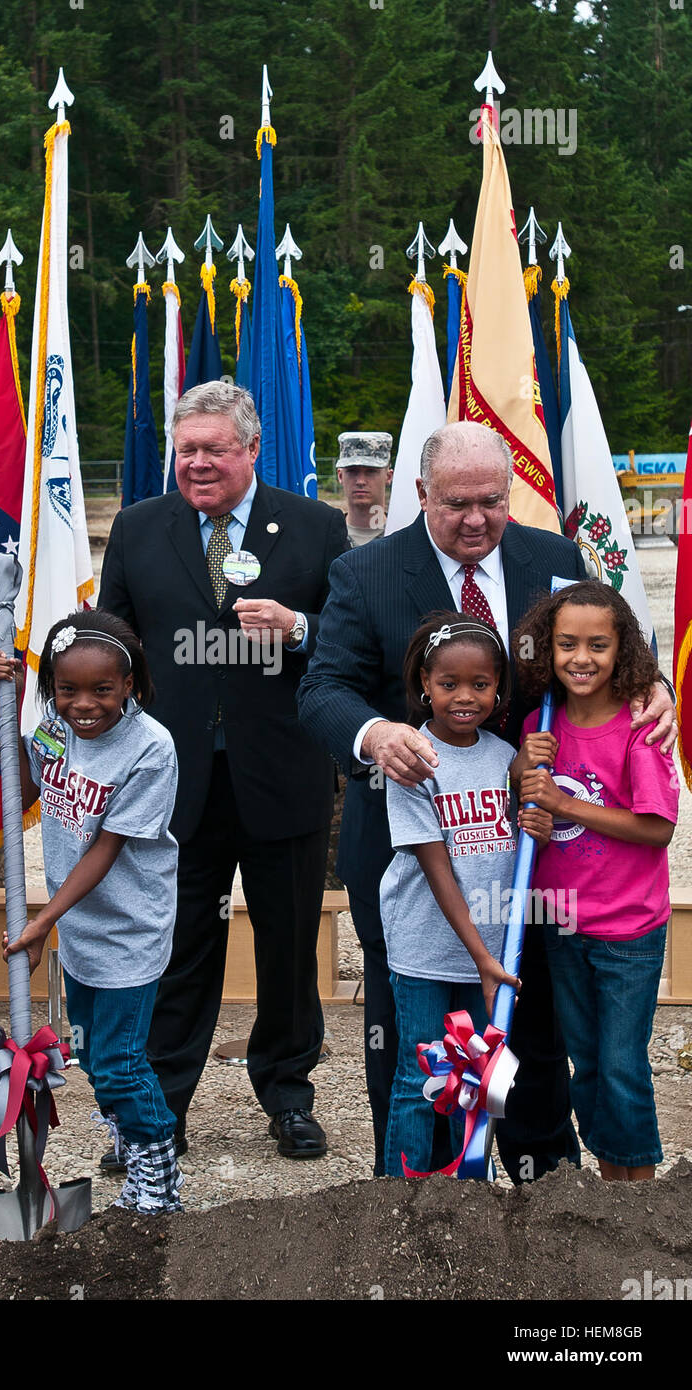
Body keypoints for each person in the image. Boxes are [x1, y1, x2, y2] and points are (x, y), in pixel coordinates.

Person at [297, 419, 677, 1182]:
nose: (476, 519)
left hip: (537, 862)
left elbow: (605, 654)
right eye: (457, 503)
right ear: (420, 494)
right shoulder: (366, 574)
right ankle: (419, 1204)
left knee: (534, 1039)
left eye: (493, 502)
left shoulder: (556, 559)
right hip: (417, 865)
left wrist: (655, 686)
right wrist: (375, 735)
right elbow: (322, 689)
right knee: (419, 1048)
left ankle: (546, 1196)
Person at [99, 381, 349, 1160]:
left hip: (283, 775)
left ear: (250, 450)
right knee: (174, 949)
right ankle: (157, 1111)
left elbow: (347, 641)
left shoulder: (316, 528)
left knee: (287, 946)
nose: (198, 463)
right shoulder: (140, 529)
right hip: (174, 785)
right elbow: (114, 644)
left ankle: (288, 1093)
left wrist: (298, 626)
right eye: (186, 450)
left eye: (214, 448)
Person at [0, 610, 184, 1213]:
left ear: (131, 685)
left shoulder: (150, 748)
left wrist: (41, 922)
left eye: (102, 690)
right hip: (80, 926)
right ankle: (128, 1133)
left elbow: (105, 848)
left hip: (128, 928)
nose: (84, 705)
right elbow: (24, 785)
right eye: (67, 690)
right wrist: (13, 703)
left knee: (120, 1061)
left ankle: (158, 1168)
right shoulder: (53, 727)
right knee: (93, 1053)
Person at [511, 580, 678, 1181]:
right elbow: (526, 814)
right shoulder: (540, 723)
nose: (581, 659)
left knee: (622, 1064)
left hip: (627, 931)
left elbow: (657, 828)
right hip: (562, 924)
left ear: (622, 650)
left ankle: (640, 1192)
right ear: (547, 649)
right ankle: (611, 1182)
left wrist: (564, 803)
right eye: (566, 645)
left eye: (598, 646)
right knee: (584, 1061)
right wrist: (521, 777)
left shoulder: (640, 727)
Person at [381, 613, 552, 1174]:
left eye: (480, 684)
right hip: (428, 949)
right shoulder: (412, 762)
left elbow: (515, 854)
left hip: (489, 954)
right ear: (424, 684)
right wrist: (483, 958)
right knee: (420, 1076)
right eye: (448, 684)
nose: (464, 697)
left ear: (498, 687)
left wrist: (539, 832)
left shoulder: (504, 757)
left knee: (473, 1077)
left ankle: (462, 1198)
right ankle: (390, 1207)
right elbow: (439, 870)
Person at [335, 432, 393, 546]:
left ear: (388, 476)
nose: (360, 481)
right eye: (352, 471)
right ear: (340, 476)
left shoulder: (401, 534)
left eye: (371, 471)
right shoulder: (327, 537)